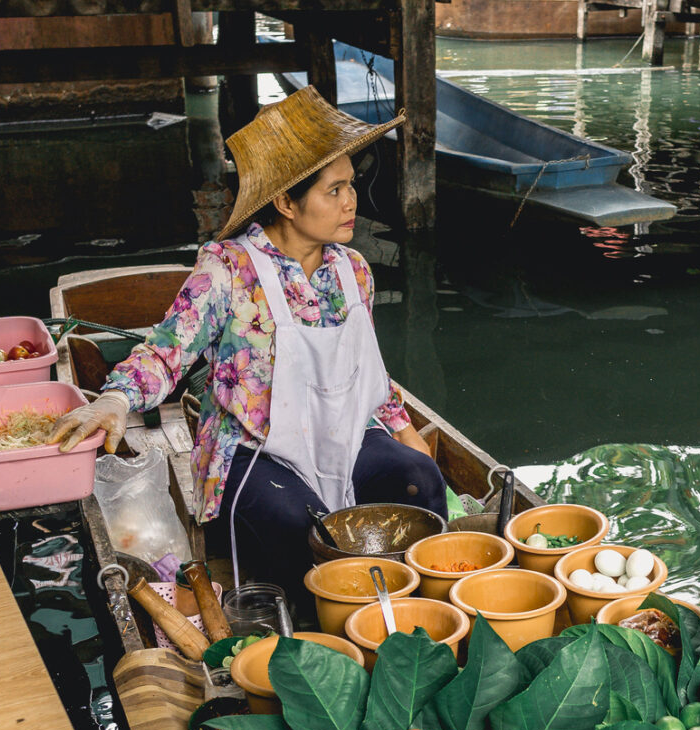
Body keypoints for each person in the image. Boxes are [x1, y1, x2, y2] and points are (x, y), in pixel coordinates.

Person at [51, 87, 445, 600]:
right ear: (285, 201)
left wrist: (406, 432)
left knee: (417, 481)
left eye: (352, 185)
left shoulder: (354, 271)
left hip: (345, 433)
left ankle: (418, 612)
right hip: (253, 448)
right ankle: (313, 630)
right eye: (335, 190)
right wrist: (115, 398)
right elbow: (167, 351)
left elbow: (367, 372)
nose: (352, 201)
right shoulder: (228, 269)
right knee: (301, 526)